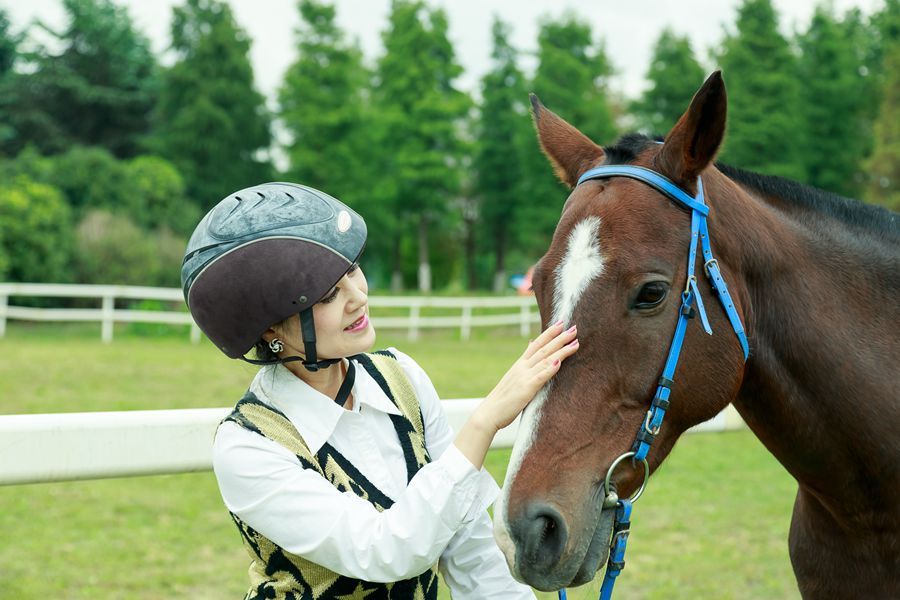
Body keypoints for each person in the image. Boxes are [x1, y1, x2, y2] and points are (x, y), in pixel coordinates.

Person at [181, 182, 579, 599]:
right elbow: (383, 552)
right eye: (328, 294)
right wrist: (485, 421)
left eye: (351, 269)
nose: (358, 297)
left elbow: (472, 550)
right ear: (270, 329)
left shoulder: (402, 378)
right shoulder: (248, 446)